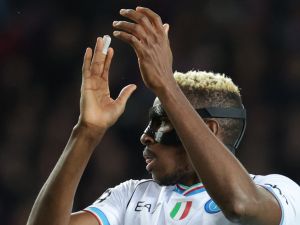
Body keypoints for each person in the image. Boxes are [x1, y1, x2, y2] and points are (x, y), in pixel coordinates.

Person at [27, 7, 300, 225]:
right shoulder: (132, 196)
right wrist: (86, 131)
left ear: (210, 129)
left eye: (163, 122)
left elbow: (240, 205)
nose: (145, 136)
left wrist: (166, 84)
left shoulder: (278, 190)